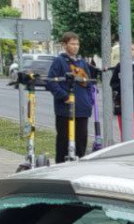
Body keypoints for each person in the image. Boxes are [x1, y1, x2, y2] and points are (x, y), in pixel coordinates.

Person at [47, 32, 96, 162]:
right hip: (65, 109)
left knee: (81, 142)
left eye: (77, 44)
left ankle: (78, 167)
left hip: (82, 109)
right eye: (72, 44)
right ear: (64, 45)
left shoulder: (82, 63)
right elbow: (51, 82)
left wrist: (89, 100)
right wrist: (64, 96)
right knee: (63, 142)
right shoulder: (59, 61)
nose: (75, 46)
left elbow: (88, 82)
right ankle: (60, 167)